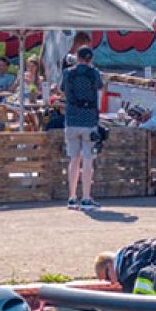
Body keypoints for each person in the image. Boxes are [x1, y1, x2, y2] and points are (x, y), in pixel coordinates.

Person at [61, 46, 103, 210]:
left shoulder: (68, 73)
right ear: (90, 58)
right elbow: (100, 86)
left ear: (77, 57)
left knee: (73, 159)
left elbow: (62, 89)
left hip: (72, 119)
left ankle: (72, 197)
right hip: (89, 120)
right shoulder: (94, 73)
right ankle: (86, 197)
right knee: (87, 160)